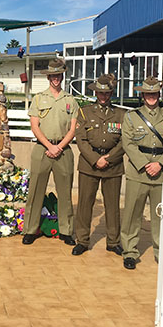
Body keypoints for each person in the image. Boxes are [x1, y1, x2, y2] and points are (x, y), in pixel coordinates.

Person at [120, 76, 163, 270]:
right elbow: (128, 143)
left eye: (154, 93)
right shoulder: (131, 117)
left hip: (161, 172)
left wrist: (160, 164)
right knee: (132, 213)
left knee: (161, 215)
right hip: (139, 172)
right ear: (142, 95)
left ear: (159, 94)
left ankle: (161, 251)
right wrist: (145, 164)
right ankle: (129, 251)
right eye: (148, 94)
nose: (151, 97)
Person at [22, 58, 79, 246]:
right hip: (42, 149)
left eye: (58, 75)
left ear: (62, 76)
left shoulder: (70, 100)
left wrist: (59, 147)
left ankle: (66, 230)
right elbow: (35, 126)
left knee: (65, 192)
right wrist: (49, 146)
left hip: (63, 150)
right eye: (53, 75)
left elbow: (73, 129)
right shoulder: (39, 98)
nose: (56, 78)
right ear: (48, 77)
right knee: (36, 190)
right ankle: (30, 229)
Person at [72, 73, 125, 256]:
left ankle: (113, 241)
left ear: (112, 93)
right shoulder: (85, 112)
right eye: (101, 93)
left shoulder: (121, 114)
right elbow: (81, 139)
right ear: (96, 93)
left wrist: (109, 159)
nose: (104, 96)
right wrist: (96, 159)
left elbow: (124, 141)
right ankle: (83, 240)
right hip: (89, 165)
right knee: (85, 204)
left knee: (112, 205)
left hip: (113, 165)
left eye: (107, 93)